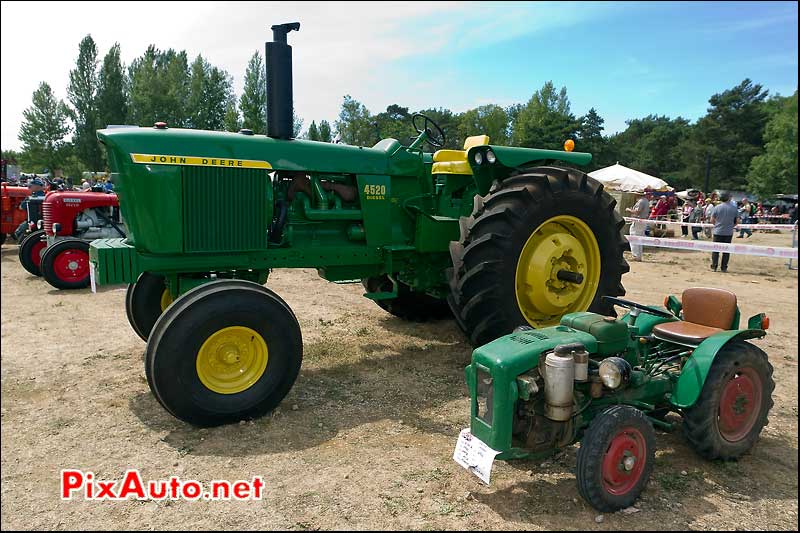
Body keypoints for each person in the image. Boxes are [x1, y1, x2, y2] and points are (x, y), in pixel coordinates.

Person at [709, 191, 739, 272]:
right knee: (726, 251)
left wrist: (717, 225)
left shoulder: (717, 207)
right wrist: (731, 226)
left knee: (715, 250)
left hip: (717, 232)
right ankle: (724, 267)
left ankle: (714, 266)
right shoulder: (734, 208)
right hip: (728, 232)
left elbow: (712, 220)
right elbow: (737, 221)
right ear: (729, 198)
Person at [626, 192, 651, 262]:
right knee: (639, 238)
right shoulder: (646, 201)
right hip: (643, 221)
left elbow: (637, 212)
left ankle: (635, 255)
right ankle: (638, 256)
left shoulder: (641, 201)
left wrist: (629, 210)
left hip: (638, 221)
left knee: (633, 237)